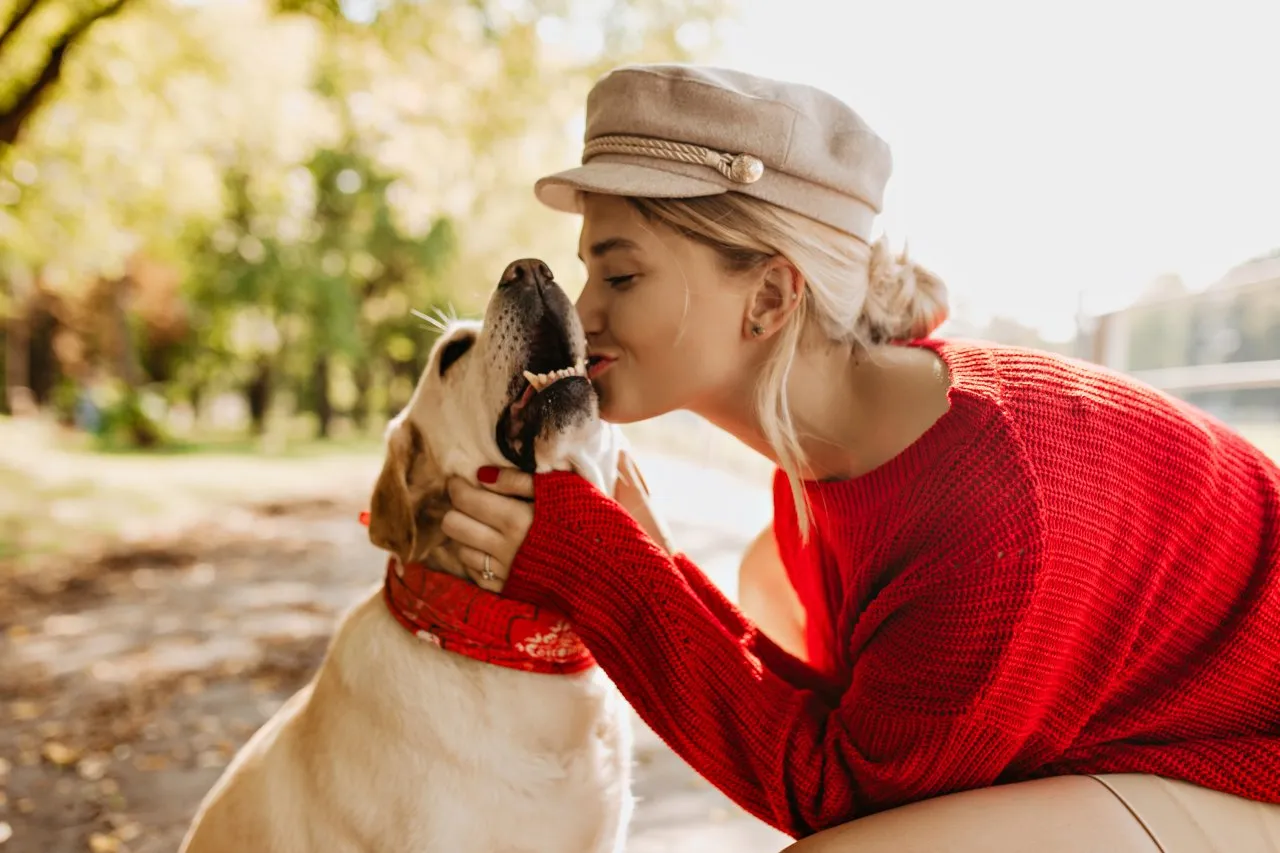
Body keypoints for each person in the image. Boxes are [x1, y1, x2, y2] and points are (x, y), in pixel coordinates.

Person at [439, 64, 1280, 851]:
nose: (581, 315)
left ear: (769, 295)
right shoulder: (830, 462)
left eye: (620, 278)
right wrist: (652, 564)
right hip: (1143, 735)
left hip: (1256, 765)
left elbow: (845, 796)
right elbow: (835, 723)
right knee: (772, 582)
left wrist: (605, 573)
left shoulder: (991, 498)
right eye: (589, 272)